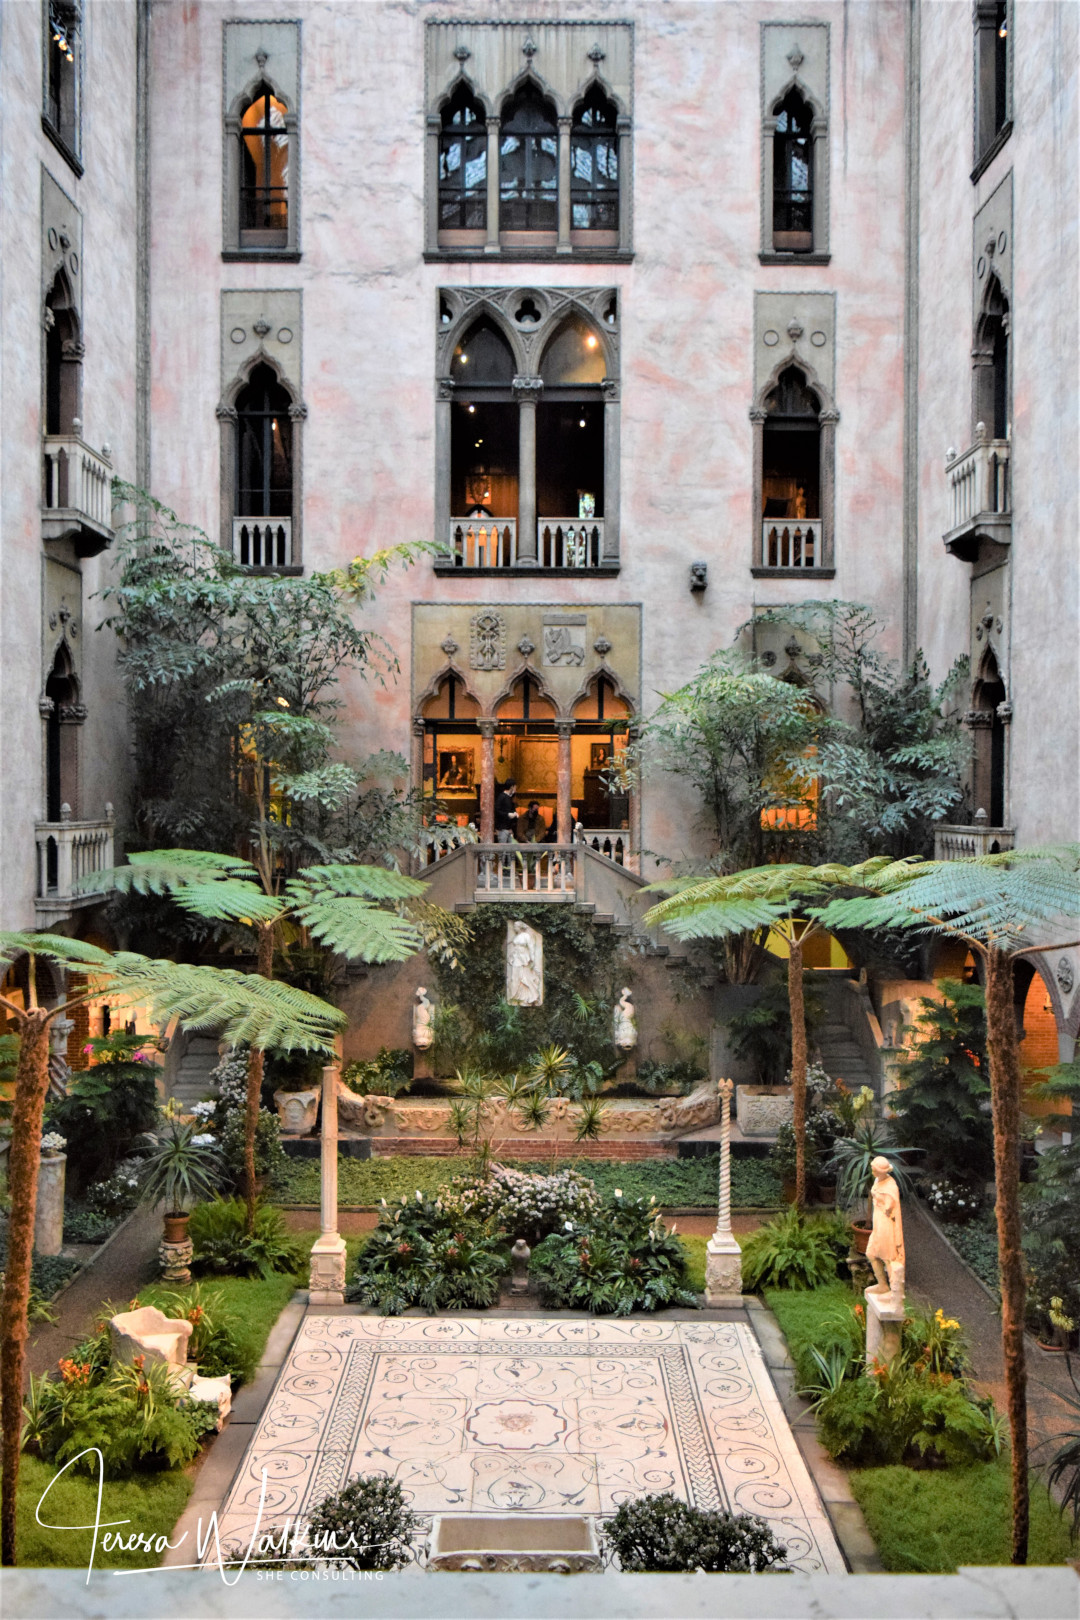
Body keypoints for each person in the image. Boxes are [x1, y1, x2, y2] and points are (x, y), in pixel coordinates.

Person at [494, 779, 518, 843]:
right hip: (502, 828)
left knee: (512, 847)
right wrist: (507, 815)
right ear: (511, 787)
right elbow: (497, 811)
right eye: (515, 787)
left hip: (508, 828)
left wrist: (515, 814)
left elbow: (511, 809)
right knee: (503, 848)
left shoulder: (510, 798)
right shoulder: (501, 797)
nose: (515, 789)